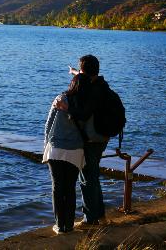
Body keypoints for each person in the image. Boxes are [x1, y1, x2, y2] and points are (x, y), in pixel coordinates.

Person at [53, 55, 110, 227]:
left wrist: (67, 108)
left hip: (93, 139)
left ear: (84, 72)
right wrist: (74, 72)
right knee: (93, 175)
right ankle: (99, 214)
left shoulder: (93, 90)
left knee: (86, 178)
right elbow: (84, 78)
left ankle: (90, 219)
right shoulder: (101, 84)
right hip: (102, 136)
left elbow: (84, 114)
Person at [43, 74, 89, 234]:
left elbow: (48, 124)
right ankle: (69, 225)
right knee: (70, 187)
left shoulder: (60, 98)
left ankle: (59, 225)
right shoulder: (86, 104)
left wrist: (45, 146)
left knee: (57, 187)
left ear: (71, 84)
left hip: (55, 148)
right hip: (75, 150)